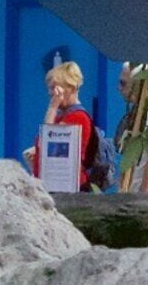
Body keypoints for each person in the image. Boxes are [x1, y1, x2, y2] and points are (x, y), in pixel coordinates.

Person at [32, 58, 101, 193]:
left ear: (71, 88)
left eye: (54, 88)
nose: (50, 93)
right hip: (52, 184)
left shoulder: (78, 117)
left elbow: (48, 142)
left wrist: (52, 107)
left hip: (68, 187)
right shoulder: (61, 116)